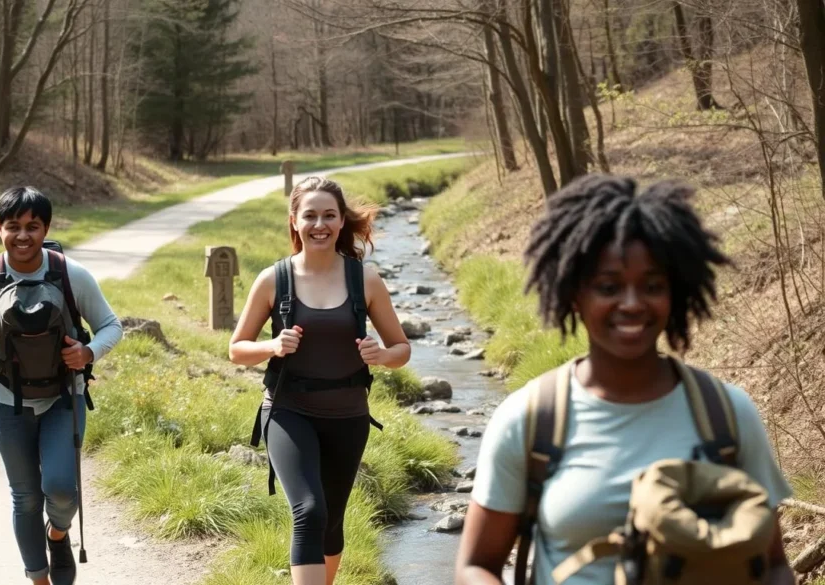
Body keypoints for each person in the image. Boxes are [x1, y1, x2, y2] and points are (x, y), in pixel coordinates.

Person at [454, 174, 794, 585]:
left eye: (652, 285)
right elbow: (476, 566)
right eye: (608, 286)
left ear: (676, 293)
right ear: (575, 294)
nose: (631, 304)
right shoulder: (529, 421)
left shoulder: (727, 416)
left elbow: (773, 566)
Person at [228, 177, 411, 585]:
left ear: (342, 222)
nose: (319, 224)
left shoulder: (365, 279)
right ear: (294, 221)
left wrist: (382, 356)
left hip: (348, 415)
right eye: (310, 215)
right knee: (309, 510)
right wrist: (273, 346)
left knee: (331, 519)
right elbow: (237, 348)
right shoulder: (274, 279)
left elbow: (402, 349)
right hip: (289, 410)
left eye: (329, 215)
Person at [0, 186, 123, 585]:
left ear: (46, 228)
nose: (23, 236)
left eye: (32, 226)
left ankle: (57, 534)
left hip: (63, 398)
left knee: (62, 491)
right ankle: (39, 580)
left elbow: (112, 326)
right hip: (7, 404)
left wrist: (87, 353)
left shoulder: (69, 274)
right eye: (13, 226)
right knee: (25, 499)